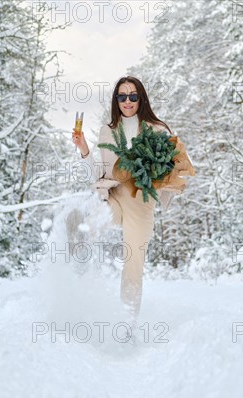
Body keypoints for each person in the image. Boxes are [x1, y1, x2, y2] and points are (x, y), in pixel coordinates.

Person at [71, 76, 178, 322]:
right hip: (115, 197)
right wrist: (84, 149)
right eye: (122, 96)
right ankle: (74, 276)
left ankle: (127, 323)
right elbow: (99, 174)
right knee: (87, 221)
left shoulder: (158, 129)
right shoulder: (107, 132)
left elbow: (172, 166)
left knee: (133, 265)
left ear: (141, 99)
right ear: (116, 100)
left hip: (141, 203)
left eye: (132, 96)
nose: (127, 101)